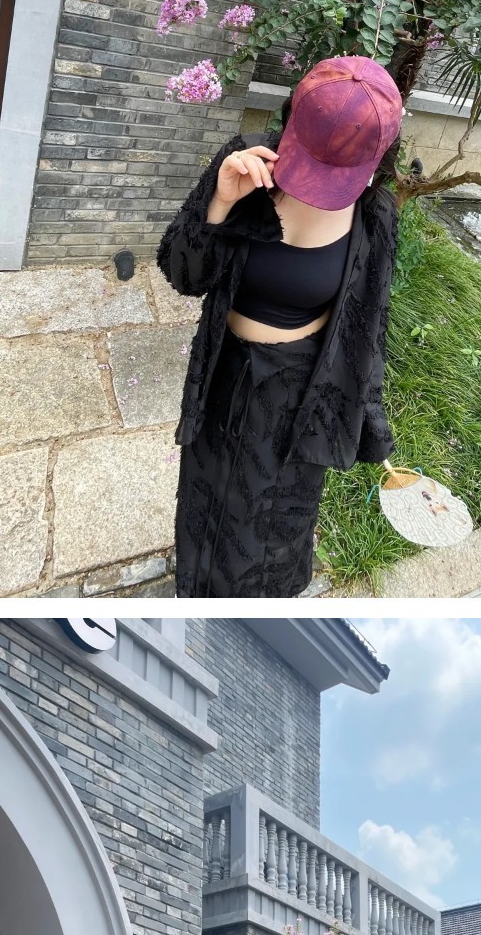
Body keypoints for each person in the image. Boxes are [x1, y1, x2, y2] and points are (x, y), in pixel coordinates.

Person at [158, 55, 403, 598]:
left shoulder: (374, 216)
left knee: (268, 529)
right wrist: (221, 202)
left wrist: (373, 427)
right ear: (292, 117)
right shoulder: (245, 164)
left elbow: (368, 330)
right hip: (222, 374)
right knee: (203, 501)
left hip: (297, 397)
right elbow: (184, 275)